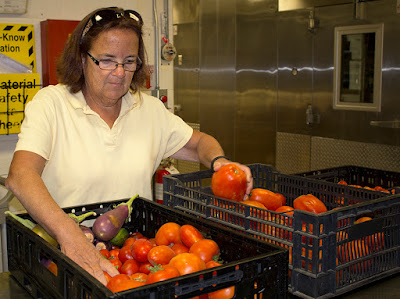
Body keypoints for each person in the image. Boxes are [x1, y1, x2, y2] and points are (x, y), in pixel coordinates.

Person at [5, 7, 253, 285]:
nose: (119, 73)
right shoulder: (51, 104)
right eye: (107, 60)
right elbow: (21, 175)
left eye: (129, 61)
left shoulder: (147, 109)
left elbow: (199, 144)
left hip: (129, 257)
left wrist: (220, 162)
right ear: (82, 58)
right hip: (61, 257)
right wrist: (71, 237)